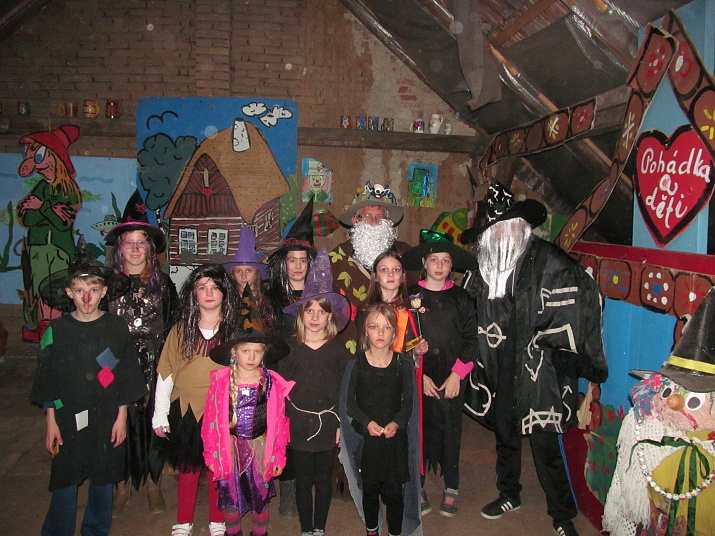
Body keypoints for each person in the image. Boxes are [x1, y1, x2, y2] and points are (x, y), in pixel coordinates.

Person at [462, 183, 608, 536]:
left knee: (544, 443)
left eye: (507, 226)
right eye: (495, 229)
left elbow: (580, 299)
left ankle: (562, 514)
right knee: (505, 433)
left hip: (537, 367)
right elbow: (468, 308)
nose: (502, 234)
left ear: (522, 226)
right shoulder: (485, 267)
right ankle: (509, 493)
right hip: (498, 362)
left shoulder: (551, 261)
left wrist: (557, 348)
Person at [30, 259, 146, 536]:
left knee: (104, 475)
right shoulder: (56, 331)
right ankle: (57, 530)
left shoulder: (115, 328)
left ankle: (95, 530)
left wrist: (121, 415)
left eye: (93, 291)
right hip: (67, 415)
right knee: (65, 476)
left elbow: (125, 372)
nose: (86, 298)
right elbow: (47, 378)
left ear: (103, 292)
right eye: (79, 290)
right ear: (68, 292)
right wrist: (51, 421)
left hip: (106, 414)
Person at [152, 264, 242, 536]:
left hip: (221, 411)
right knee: (188, 468)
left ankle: (217, 520)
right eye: (202, 287)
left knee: (218, 468)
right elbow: (165, 374)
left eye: (215, 287)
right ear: (193, 293)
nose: (209, 293)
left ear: (225, 293)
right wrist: (159, 414)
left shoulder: (235, 332)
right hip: (185, 409)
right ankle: (184, 521)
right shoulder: (180, 331)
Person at [401, 230, 479, 517]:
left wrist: (458, 374)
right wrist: (417, 373)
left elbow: (471, 339)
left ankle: (452, 485)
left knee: (450, 431)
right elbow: (402, 337)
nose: (439, 265)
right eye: (434, 259)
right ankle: (418, 485)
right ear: (424, 262)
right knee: (418, 430)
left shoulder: (461, 297)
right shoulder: (410, 297)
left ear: (451, 265)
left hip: (451, 377)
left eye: (445, 261)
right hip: (420, 375)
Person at [105, 219, 178, 516]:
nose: (135, 249)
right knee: (118, 423)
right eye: (128, 242)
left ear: (150, 248)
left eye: (141, 242)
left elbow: (173, 326)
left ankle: (152, 483)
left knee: (153, 424)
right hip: (114, 365)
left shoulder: (163, 284)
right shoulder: (106, 285)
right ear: (119, 248)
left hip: (154, 364)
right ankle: (121, 485)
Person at [278, 248, 352, 536]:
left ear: (330, 316)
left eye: (322, 311)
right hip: (297, 425)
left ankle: (319, 527)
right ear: (301, 313)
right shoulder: (290, 349)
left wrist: (342, 425)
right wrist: (282, 424)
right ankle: (306, 528)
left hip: (328, 425)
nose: (315, 317)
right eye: (309, 310)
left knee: (323, 480)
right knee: (302, 480)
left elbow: (344, 391)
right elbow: (281, 392)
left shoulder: (338, 351)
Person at [339, 303, 421, 536]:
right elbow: (349, 403)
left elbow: (408, 403)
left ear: (395, 333)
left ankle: (395, 531)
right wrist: (367, 423)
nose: (381, 333)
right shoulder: (356, 364)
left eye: (387, 327)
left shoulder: (403, 364)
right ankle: (372, 530)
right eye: (374, 327)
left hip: (395, 440)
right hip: (369, 441)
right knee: (370, 490)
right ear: (365, 331)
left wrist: (397, 423)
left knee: (395, 493)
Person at [202, 332, 294, 536]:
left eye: (257, 352)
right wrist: (211, 456)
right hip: (229, 452)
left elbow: (280, 423)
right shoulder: (221, 381)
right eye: (246, 351)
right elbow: (210, 422)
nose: (252, 357)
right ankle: (233, 532)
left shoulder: (270, 382)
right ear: (234, 353)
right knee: (231, 499)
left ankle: (259, 533)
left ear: (264, 354)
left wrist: (278, 456)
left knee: (259, 499)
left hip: (260, 451)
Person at [263, 198, 316, 515]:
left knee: (308, 429)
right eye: (292, 260)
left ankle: (306, 485)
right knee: (282, 431)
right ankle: (287, 488)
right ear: (283, 263)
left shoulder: (320, 295)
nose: (297, 266)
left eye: (303, 260)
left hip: (311, 373)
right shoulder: (270, 295)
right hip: (280, 374)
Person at [329, 184, 409, 354]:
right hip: (350, 346)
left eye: (379, 217)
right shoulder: (337, 258)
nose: (373, 222)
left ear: (388, 222)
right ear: (355, 221)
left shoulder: (405, 254)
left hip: (396, 347)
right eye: (367, 216)